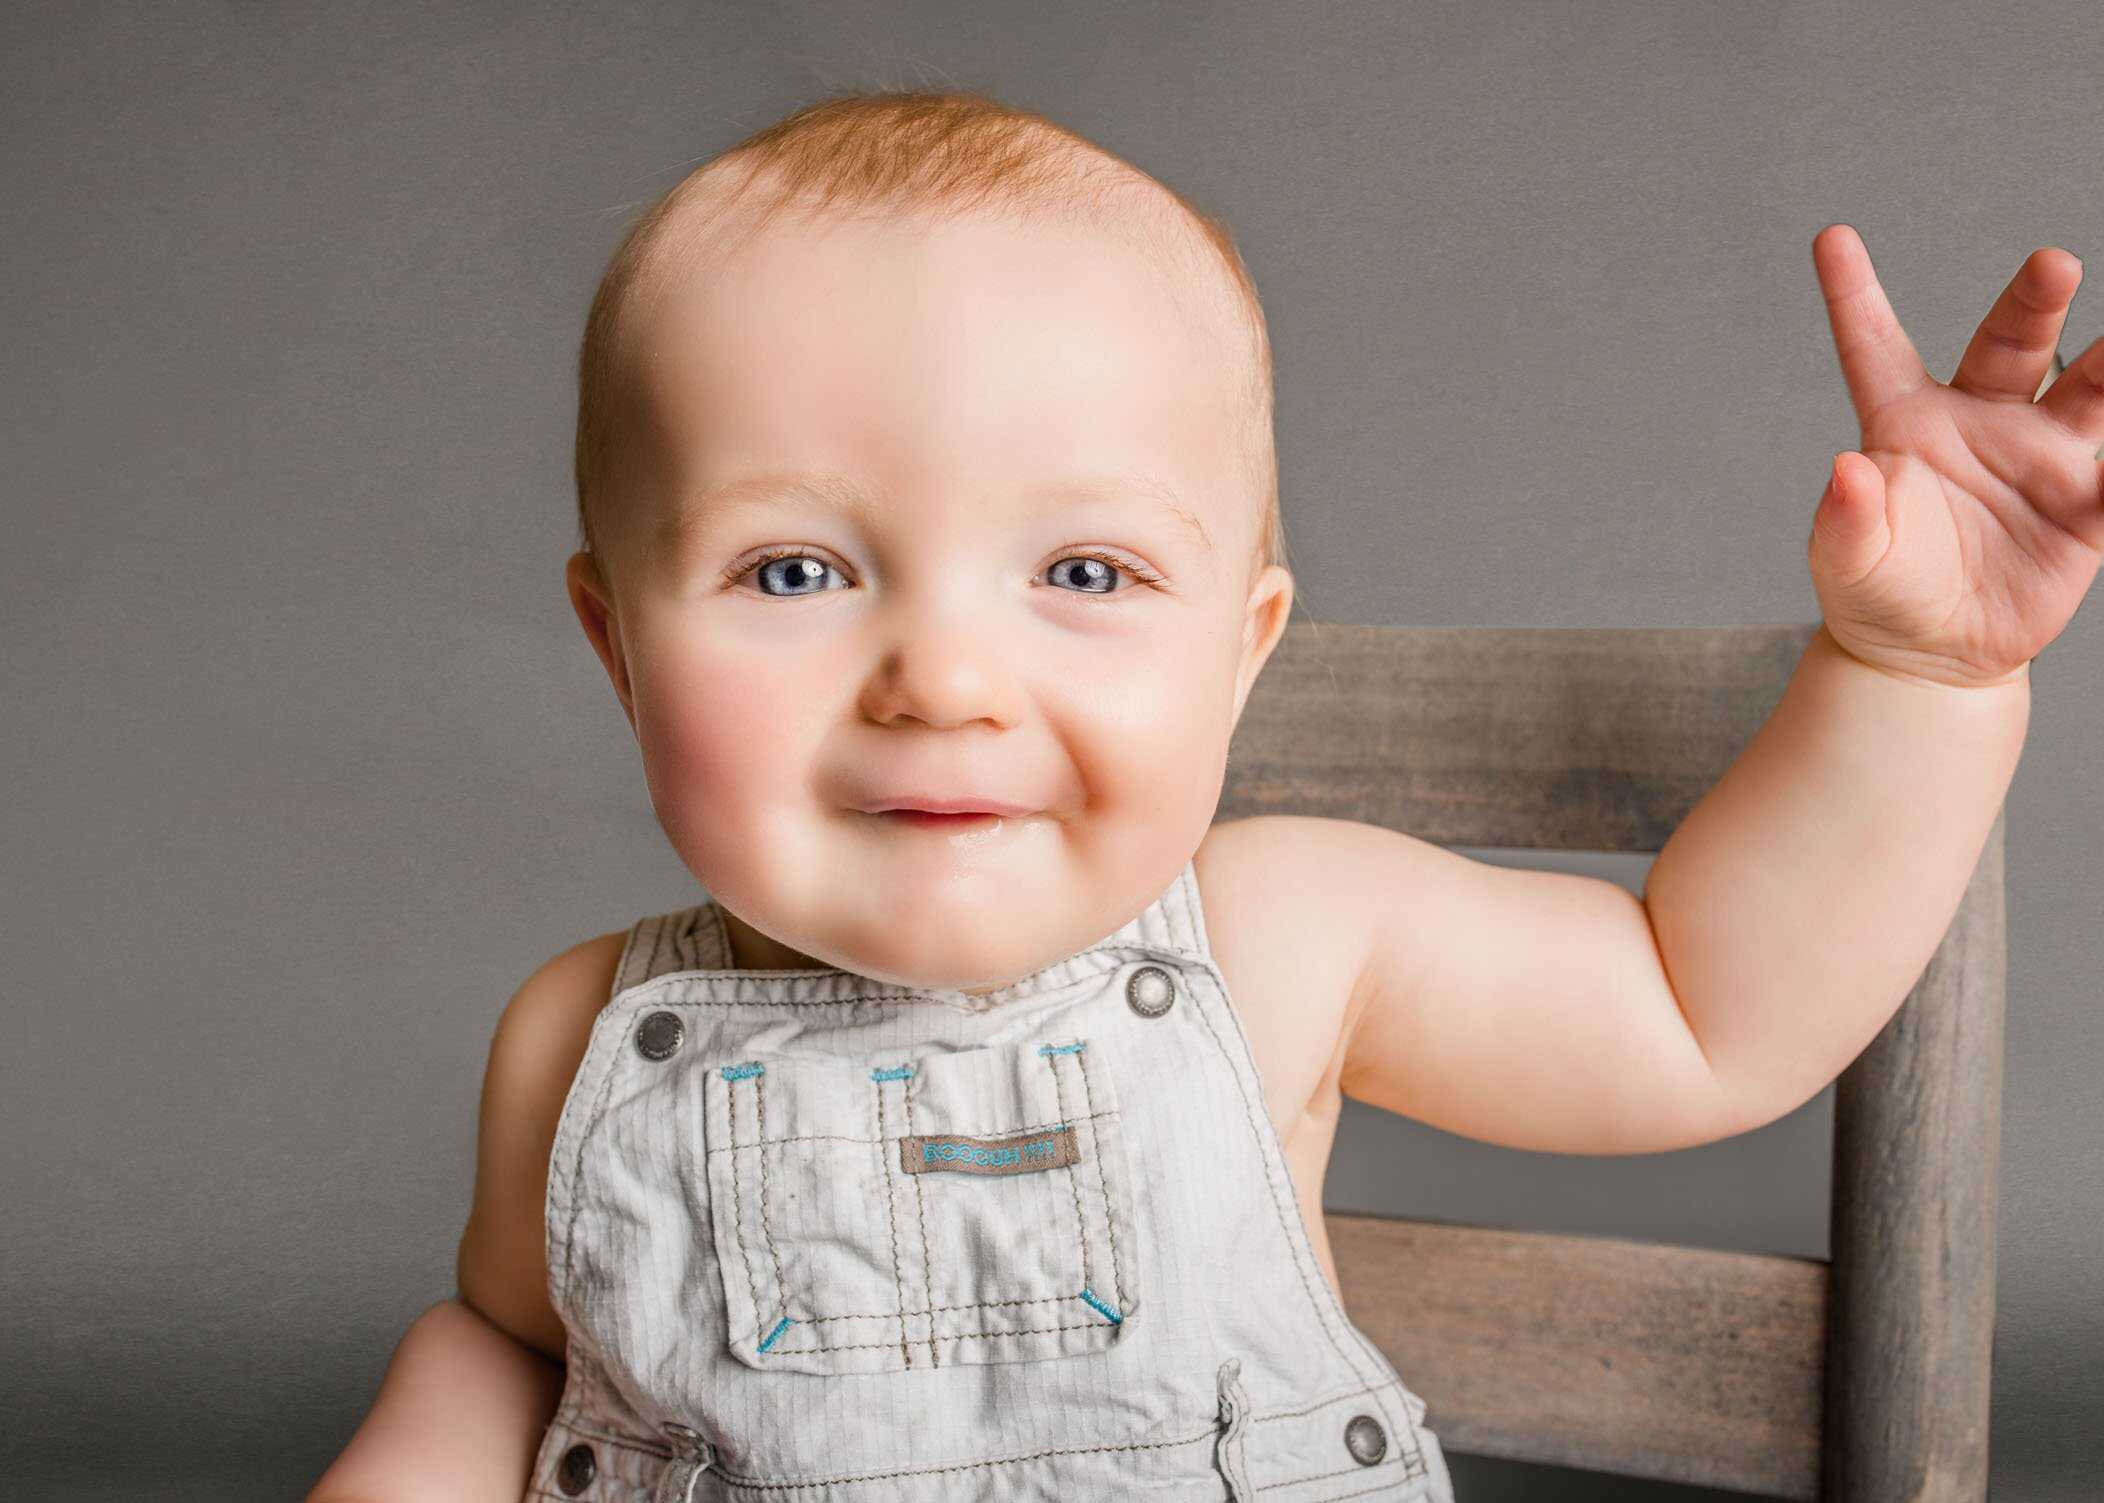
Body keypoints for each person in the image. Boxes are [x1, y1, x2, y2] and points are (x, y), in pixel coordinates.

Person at [309, 87, 2095, 1502]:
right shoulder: (580, 1035)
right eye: (792, 572)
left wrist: (1918, 681)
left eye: (1082, 573)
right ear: (618, 647)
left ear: (1242, 652)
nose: (942, 681)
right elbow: (512, 1350)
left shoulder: (1284, 935)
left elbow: (1712, 1009)